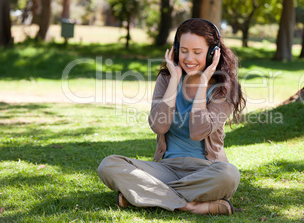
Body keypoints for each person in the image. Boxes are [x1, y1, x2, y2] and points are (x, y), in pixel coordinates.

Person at [97, 18, 246, 215]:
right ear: (175, 49)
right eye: (183, 50)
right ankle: (190, 206)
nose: (189, 58)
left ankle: (144, 196)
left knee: (229, 175)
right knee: (108, 165)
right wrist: (174, 80)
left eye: (197, 52)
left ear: (212, 53)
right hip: (166, 169)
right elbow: (158, 126)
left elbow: (198, 132)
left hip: (206, 171)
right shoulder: (166, 79)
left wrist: (203, 82)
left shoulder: (225, 88)